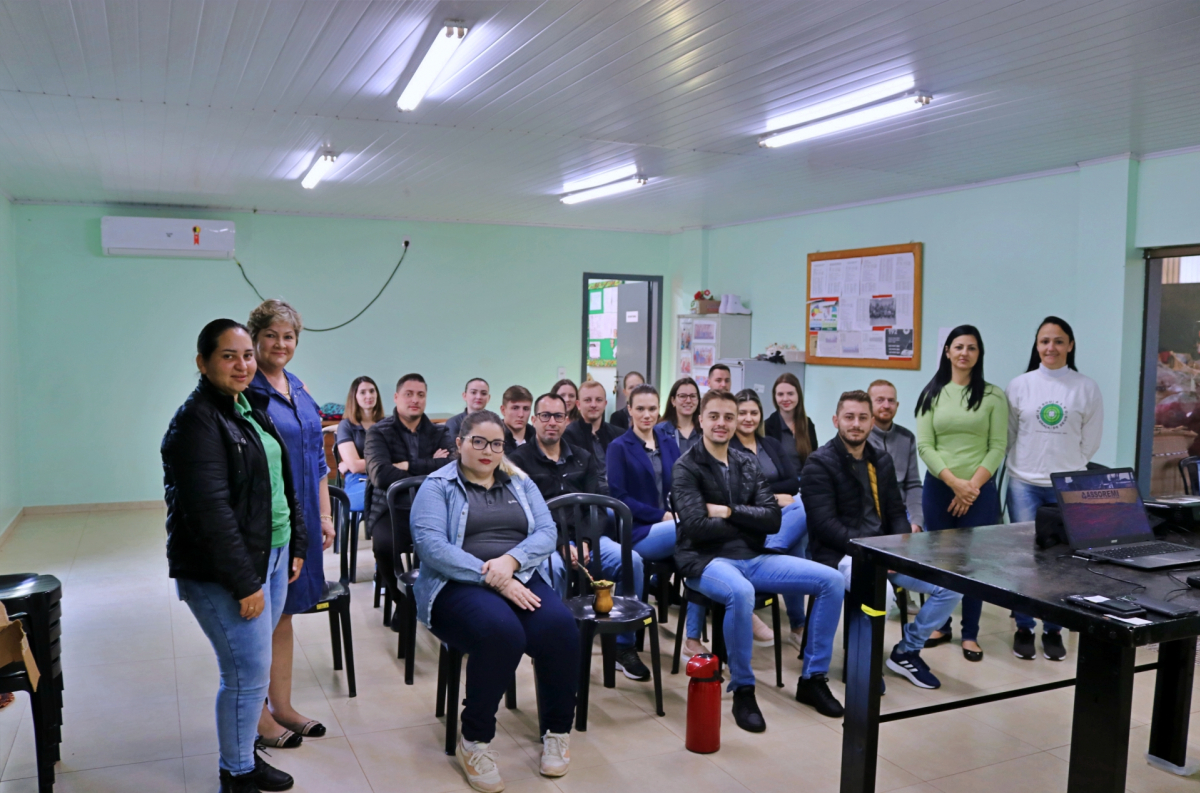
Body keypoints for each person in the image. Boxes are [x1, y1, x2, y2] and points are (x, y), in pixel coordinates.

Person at [163, 319, 304, 793]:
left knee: (253, 671)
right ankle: (237, 773)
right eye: (228, 356)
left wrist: (296, 543)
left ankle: (244, 756)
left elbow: (281, 482)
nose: (242, 365)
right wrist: (245, 583)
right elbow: (210, 514)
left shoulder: (247, 407)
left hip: (271, 552)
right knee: (244, 675)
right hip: (226, 570)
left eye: (246, 355)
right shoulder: (196, 421)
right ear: (203, 363)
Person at [410, 411, 578, 791]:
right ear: (459, 444)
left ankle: (557, 731)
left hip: (519, 575)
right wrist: (495, 578)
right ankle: (475, 739)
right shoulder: (437, 486)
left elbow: (547, 531)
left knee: (559, 628)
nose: (488, 451)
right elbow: (432, 547)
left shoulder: (520, 481)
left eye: (497, 444)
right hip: (456, 583)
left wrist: (511, 562)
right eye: (479, 442)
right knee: (501, 633)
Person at [674, 390, 846, 729]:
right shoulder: (686, 466)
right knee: (740, 592)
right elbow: (695, 526)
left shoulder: (747, 463)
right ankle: (743, 688)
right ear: (701, 420)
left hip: (752, 556)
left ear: (736, 421)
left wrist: (728, 511)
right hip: (705, 561)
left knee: (832, 580)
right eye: (714, 416)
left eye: (728, 417)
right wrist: (746, 520)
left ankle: (813, 679)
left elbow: (773, 519)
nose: (721, 423)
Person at [803, 391, 963, 690]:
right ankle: (862, 661)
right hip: (840, 554)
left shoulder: (881, 460)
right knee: (882, 593)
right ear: (836, 420)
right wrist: (873, 555)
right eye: (849, 417)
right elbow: (824, 525)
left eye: (863, 418)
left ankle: (907, 651)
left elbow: (896, 512)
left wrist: (897, 550)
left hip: (883, 552)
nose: (856, 424)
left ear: (872, 421)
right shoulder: (819, 463)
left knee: (953, 584)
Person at [509, 394, 653, 681]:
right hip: (544, 542)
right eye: (545, 416)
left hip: (587, 538)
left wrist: (586, 541)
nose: (552, 422)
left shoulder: (583, 457)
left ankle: (622, 647)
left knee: (633, 561)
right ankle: (555, 646)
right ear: (534, 420)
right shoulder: (517, 461)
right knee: (554, 569)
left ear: (567, 421)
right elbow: (524, 514)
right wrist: (561, 544)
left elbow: (597, 508)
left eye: (558, 416)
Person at [246, 300, 335, 747]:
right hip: (267, 523)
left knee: (284, 615)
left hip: (303, 522)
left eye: (289, 337)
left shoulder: (298, 388)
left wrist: (325, 514)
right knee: (258, 620)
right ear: (255, 338)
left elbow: (318, 460)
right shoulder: (247, 390)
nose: (281, 344)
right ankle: (257, 716)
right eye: (272, 335)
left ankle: (281, 706)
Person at [1005, 316, 1102, 661]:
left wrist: (1068, 468)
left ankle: (1054, 629)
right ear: (1037, 346)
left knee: (1060, 562)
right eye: (1045, 341)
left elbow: (1090, 441)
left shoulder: (1085, 387)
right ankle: (1024, 626)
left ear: (1070, 345)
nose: (1051, 347)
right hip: (1023, 483)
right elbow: (1011, 435)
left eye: (1059, 341)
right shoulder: (1020, 385)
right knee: (1025, 560)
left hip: (1067, 487)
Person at [916, 325, 1008, 662]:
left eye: (971, 347)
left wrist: (971, 487)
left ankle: (970, 633)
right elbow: (925, 446)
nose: (964, 353)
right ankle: (941, 625)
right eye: (958, 347)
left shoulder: (994, 396)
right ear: (947, 352)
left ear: (979, 354)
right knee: (942, 560)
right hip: (940, 488)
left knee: (973, 564)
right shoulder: (931, 394)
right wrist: (955, 483)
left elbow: (997, 446)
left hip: (979, 491)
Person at [730, 389, 808, 650]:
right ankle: (798, 625)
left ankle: (771, 549)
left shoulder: (770, 444)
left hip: (779, 519)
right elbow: (738, 492)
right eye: (742, 413)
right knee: (795, 544)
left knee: (804, 505)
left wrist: (767, 494)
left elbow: (793, 482)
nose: (748, 418)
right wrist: (773, 497)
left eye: (754, 412)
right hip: (750, 521)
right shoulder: (729, 448)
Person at [364, 374, 455, 596]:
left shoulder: (440, 432)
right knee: (384, 546)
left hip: (432, 507)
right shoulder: (378, 431)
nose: (415, 399)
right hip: (390, 508)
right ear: (396, 397)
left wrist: (406, 465)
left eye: (420, 395)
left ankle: (431, 597)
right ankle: (401, 602)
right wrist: (431, 463)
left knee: (454, 543)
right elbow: (381, 475)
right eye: (409, 394)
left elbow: (451, 467)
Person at [606, 384, 681, 569]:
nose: (647, 415)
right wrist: (662, 516)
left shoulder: (669, 443)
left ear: (659, 409)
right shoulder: (618, 447)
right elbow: (620, 498)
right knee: (690, 529)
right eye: (640, 409)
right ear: (629, 409)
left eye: (652, 409)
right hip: (638, 531)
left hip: (672, 521)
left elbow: (681, 485)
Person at [867, 380, 923, 532]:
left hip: (901, 512)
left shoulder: (907, 438)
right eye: (880, 400)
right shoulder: (860, 438)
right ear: (868, 404)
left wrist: (917, 521)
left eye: (891, 401)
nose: (886, 405)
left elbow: (913, 485)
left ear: (897, 405)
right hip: (869, 514)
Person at [336, 376, 384, 513]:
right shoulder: (346, 425)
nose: (369, 396)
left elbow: (401, 456)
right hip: (358, 481)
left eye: (372, 391)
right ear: (354, 397)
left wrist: (357, 464)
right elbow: (355, 466)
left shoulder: (387, 424)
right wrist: (387, 462)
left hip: (384, 477)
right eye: (363, 392)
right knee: (385, 493)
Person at [564, 379, 622, 486]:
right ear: (578, 404)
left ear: (605, 404)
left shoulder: (619, 435)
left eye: (599, 400)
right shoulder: (568, 436)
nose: (593, 404)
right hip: (586, 493)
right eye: (588, 400)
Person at [765, 373, 819, 476]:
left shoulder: (808, 424)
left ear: (798, 395)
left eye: (790, 394)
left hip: (806, 482)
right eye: (780, 394)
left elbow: (814, 460)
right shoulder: (767, 427)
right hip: (780, 484)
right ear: (775, 397)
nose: (785, 399)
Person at [658, 377, 702, 454]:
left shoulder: (705, 430)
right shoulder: (660, 431)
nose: (688, 400)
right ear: (673, 401)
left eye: (693, 396)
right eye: (682, 396)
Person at [499, 385, 534, 454]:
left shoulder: (538, 438)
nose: (521, 414)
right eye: (515, 408)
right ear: (503, 410)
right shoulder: (493, 437)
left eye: (526, 409)